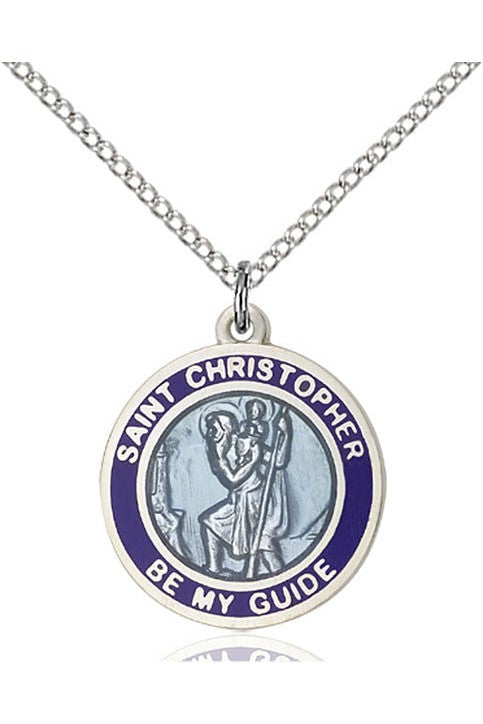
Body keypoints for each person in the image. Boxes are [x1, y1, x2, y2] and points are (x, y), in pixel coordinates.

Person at [199, 399, 291, 578]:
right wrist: (253, 460)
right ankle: (214, 569)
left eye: (214, 429)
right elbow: (233, 480)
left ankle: (283, 578)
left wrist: (286, 434)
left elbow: (278, 461)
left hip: (258, 499)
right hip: (238, 501)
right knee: (210, 522)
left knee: (264, 545)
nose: (210, 433)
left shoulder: (248, 442)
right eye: (209, 429)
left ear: (226, 429)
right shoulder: (218, 454)